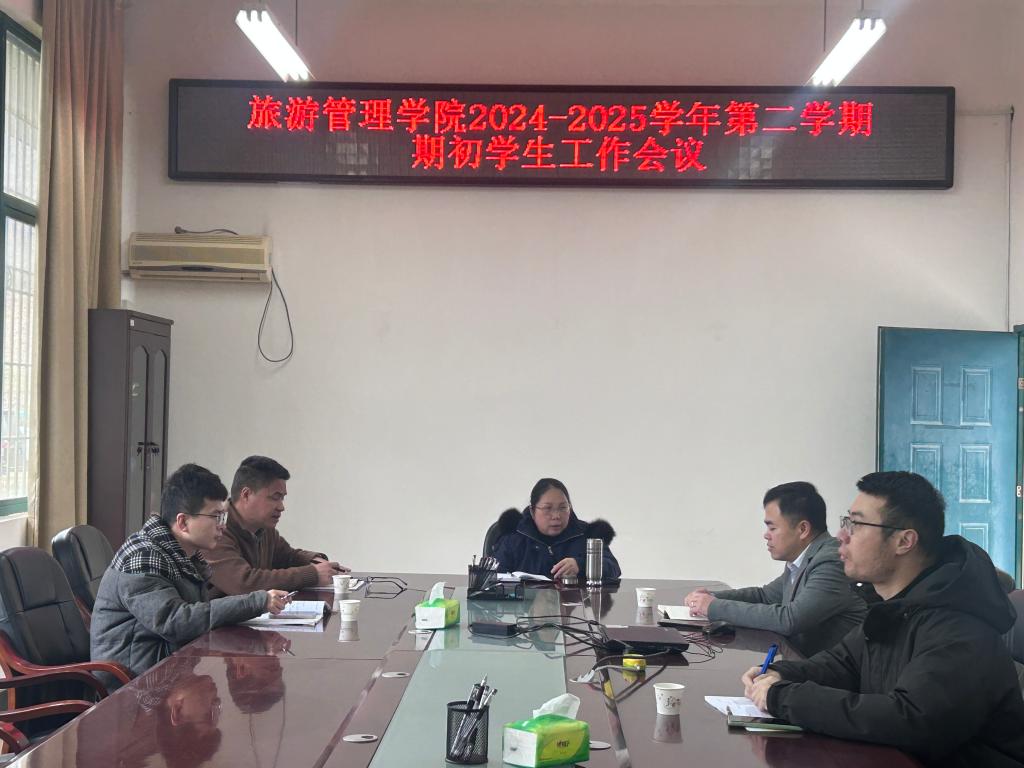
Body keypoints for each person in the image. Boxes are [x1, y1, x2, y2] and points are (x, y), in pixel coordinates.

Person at [742, 471, 1024, 766]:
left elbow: (910, 720)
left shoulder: (960, 624)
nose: (841, 536)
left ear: (904, 541)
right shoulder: (894, 608)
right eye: (846, 522)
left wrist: (783, 697)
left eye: (856, 524)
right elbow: (841, 665)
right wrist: (780, 674)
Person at [91, 464, 290, 680]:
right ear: (183, 522)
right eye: (216, 517)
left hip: (169, 668)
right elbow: (176, 621)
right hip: (133, 685)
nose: (222, 526)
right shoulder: (143, 557)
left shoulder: (184, 553)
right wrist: (257, 601)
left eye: (223, 517)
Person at [683, 481, 867, 657]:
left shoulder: (831, 560)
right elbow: (765, 596)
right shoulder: (804, 558)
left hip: (831, 674)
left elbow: (790, 620)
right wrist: (711, 597)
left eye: (772, 528)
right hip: (801, 663)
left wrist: (713, 607)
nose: (766, 535)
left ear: (803, 529)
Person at [206, 456, 349, 597]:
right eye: (275, 497)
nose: (281, 507)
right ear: (246, 494)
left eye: (282, 498)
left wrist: (315, 562)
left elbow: (288, 557)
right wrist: (313, 574)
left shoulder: (264, 529)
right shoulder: (215, 531)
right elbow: (244, 583)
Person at [490, 478, 621, 581]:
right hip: (525, 606)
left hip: (574, 607)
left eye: (563, 508)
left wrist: (581, 565)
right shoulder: (514, 538)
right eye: (548, 508)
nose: (556, 516)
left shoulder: (585, 534)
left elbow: (613, 568)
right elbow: (492, 577)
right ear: (532, 511)